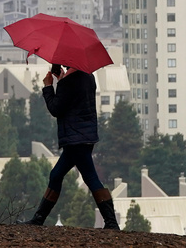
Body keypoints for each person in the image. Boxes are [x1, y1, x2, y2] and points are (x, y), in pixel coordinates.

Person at [24, 63, 119, 229]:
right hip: (85, 136)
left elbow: (56, 108)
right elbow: (75, 102)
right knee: (56, 175)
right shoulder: (88, 76)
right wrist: (61, 80)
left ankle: (111, 222)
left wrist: (48, 87)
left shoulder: (70, 81)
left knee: (90, 178)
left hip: (75, 138)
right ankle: (38, 219)